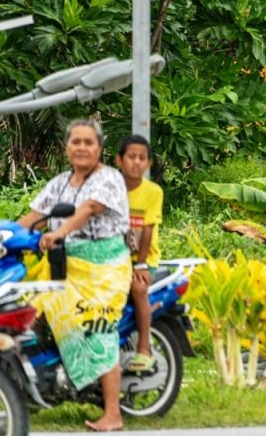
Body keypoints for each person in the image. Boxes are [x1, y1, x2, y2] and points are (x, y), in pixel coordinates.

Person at [23, 120, 131, 432]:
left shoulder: (109, 178)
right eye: (76, 142)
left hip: (105, 269)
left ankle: (113, 413)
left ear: (100, 148)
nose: (82, 147)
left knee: (97, 327)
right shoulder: (59, 183)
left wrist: (59, 233)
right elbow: (34, 216)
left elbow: (88, 208)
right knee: (27, 314)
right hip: (65, 267)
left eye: (89, 142)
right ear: (66, 147)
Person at [115, 134, 164, 372]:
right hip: (114, 257)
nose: (136, 162)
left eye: (141, 158)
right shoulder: (111, 188)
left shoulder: (153, 192)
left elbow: (147, 229)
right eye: (131, 157)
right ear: (119, 160)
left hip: (143, 259)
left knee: (138, 288)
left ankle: (144, 348)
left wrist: (141, 265)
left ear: (148, 163)